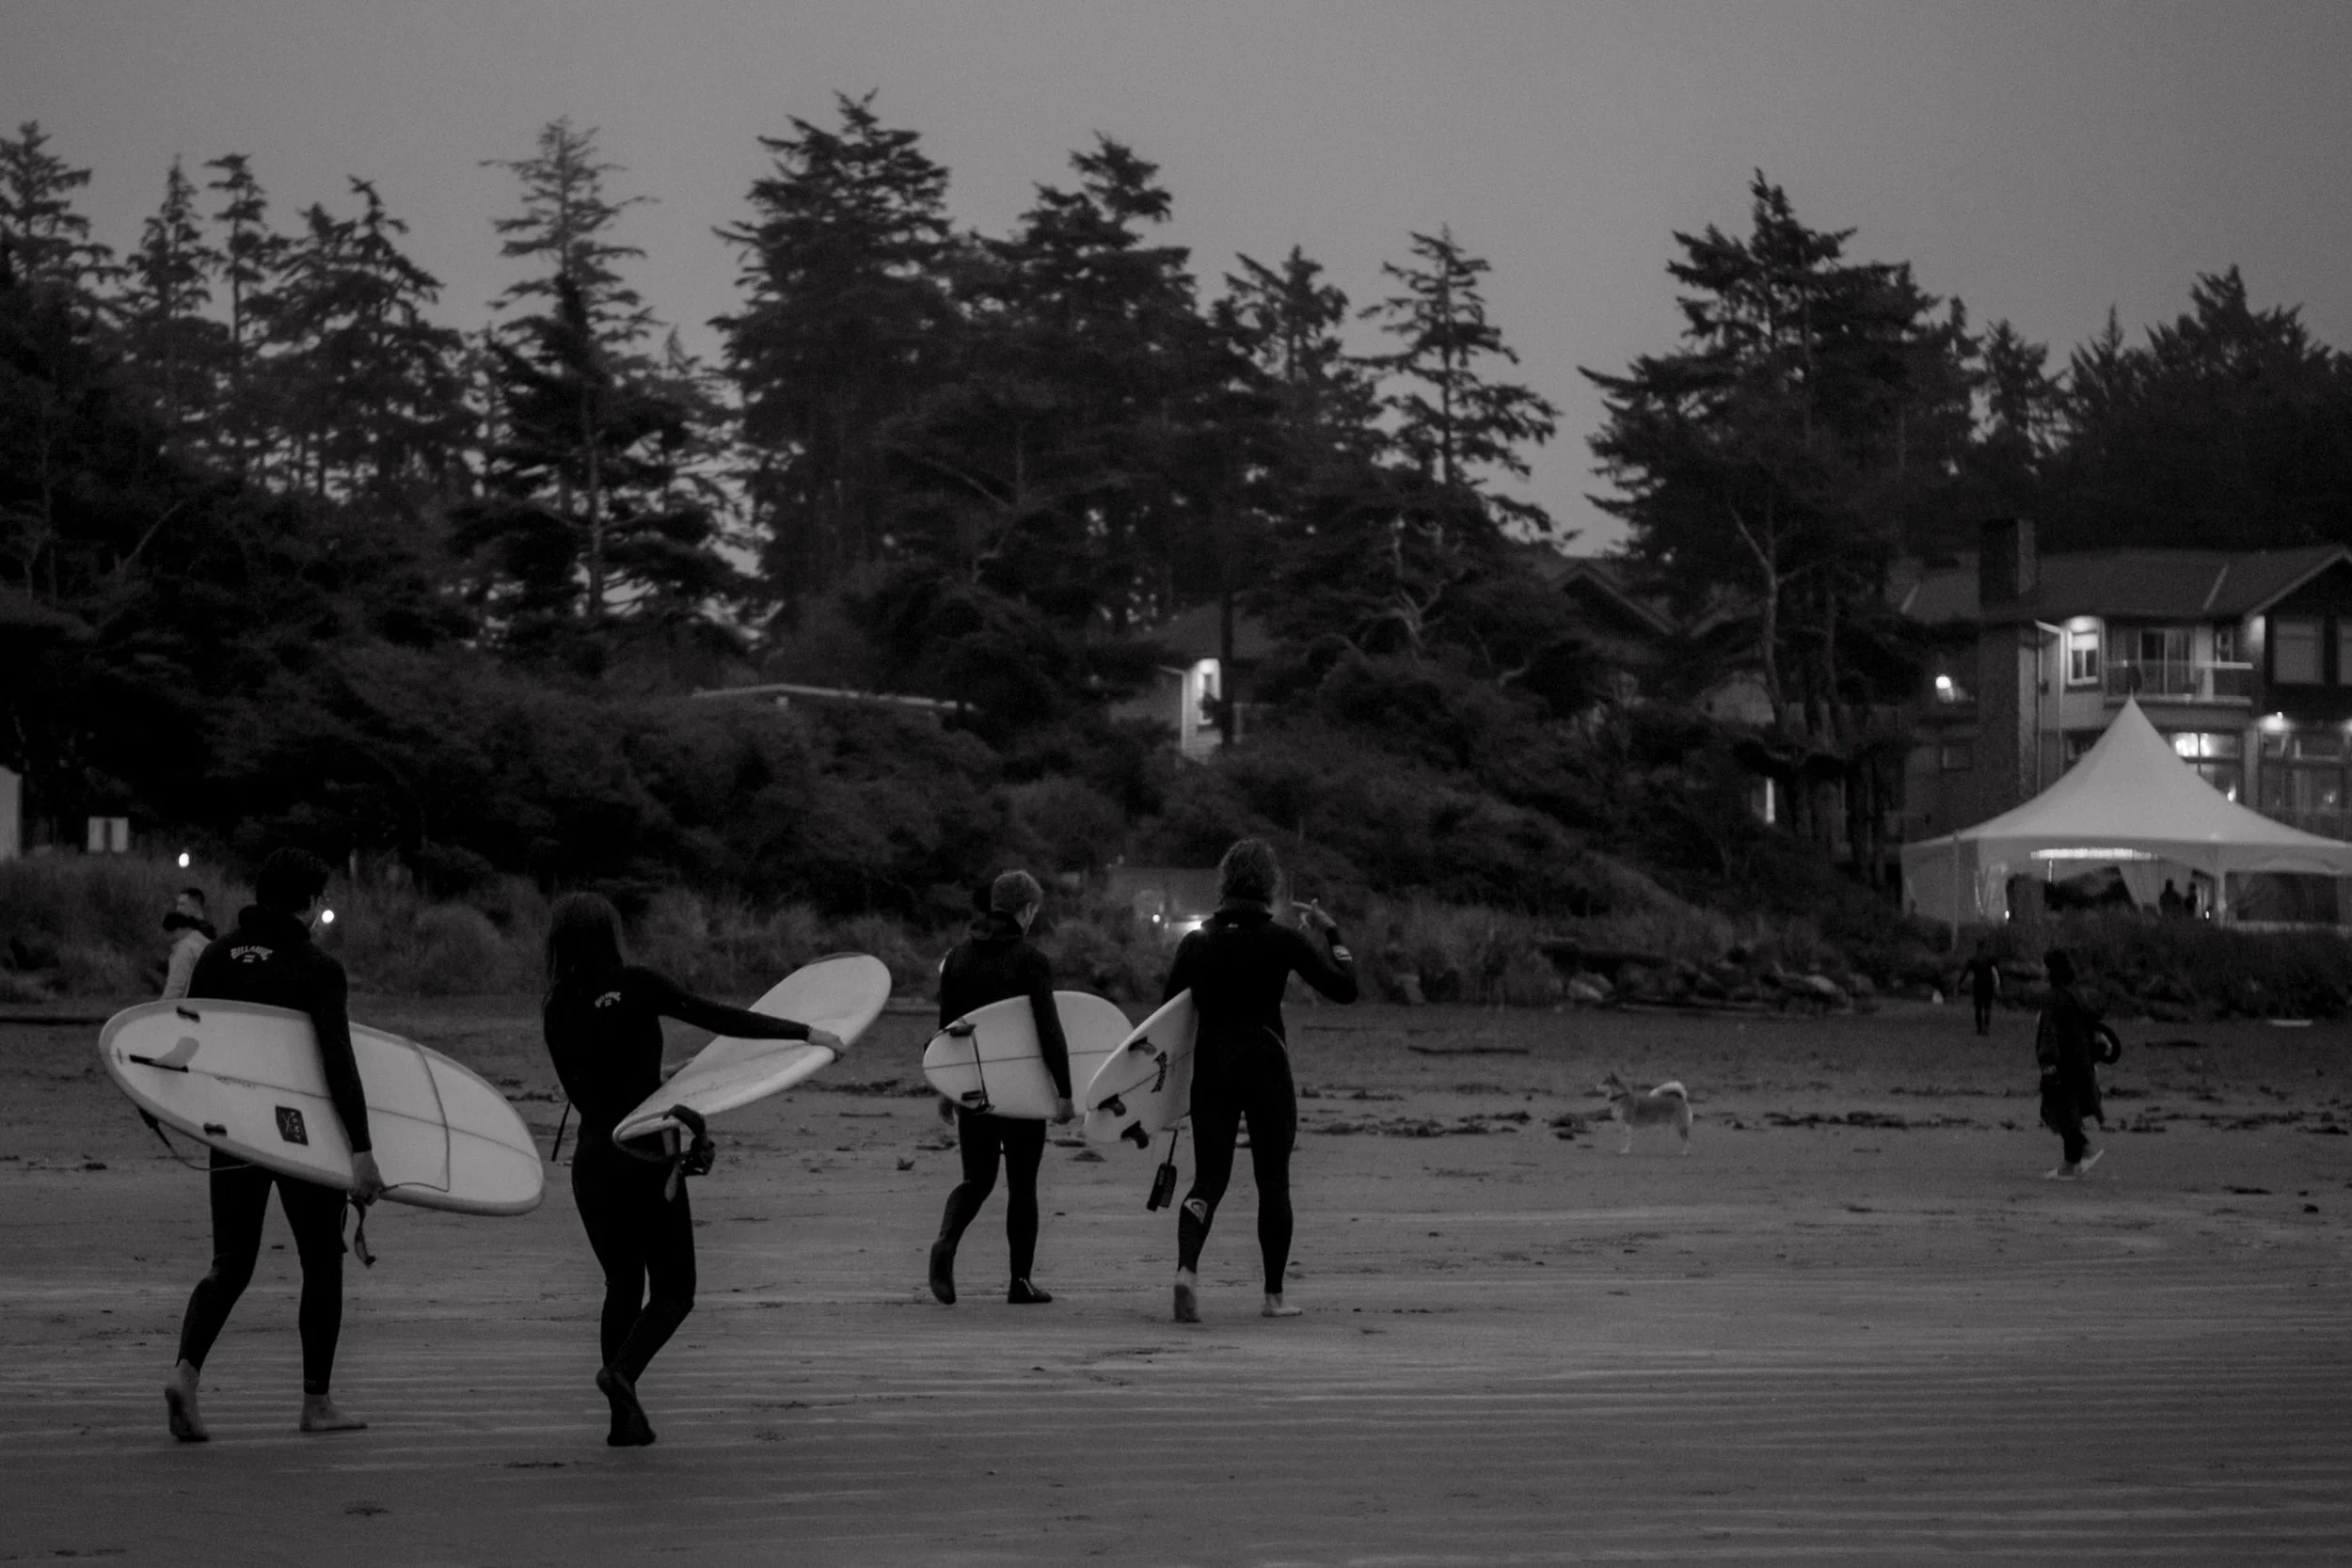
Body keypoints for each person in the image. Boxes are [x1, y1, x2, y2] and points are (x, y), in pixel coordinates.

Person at [541, 892, 845, 1447]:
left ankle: (623, 1421)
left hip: (593, 1160)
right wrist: (805, 1034)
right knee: (675, 1290)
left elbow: (597, 1085)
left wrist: (673, 1079)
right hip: (645, 1156)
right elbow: (718, 1017)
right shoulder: (638, 983)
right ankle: (622, 1375)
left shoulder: (556, 1003)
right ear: (611, 933)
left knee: (623, 1283)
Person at [166, 848, 381, 1443]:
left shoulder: (215, 955)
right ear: (309, 904)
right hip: (296, 1132)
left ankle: (185, 1374)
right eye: (322, 900)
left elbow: (188, 1039)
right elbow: (338, 1062)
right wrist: (361, 1149)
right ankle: (317, 1403)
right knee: (320, 1260)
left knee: (230, 1262)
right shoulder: (315, 966)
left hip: (231, 1124)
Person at [1161, 838, 1357, 1323]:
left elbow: (1166, 1020)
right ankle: (1273, 1297)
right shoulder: (1283, 941)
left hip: (1213, 1066)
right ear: (1269, 886)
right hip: (1267, 1065)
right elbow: (1346, 990)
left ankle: (1187, 1271)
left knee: (1209, 1177)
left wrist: (1163, 1095)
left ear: (1224, 882)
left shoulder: (1197, 942)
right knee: (1273, 1183)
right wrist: (1331, 932)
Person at [929, 869, 1072, 1307]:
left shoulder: (957, 958)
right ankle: (1020, 1283)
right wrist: (1065, 1091)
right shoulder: (1031, 961)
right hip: (1022, 1088)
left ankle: (946, 1242)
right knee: (1022, 1183)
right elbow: (1049, 1029)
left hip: (975, 1086)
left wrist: (945, 1086)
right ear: (1026, 910)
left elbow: (947, 1029)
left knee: (977, 1178)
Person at [2035, 948, 2117, 1180]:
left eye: (2044, 966)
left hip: (2063, 1062)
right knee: (2067, 1112)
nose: (2041, 969)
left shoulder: (2053, 997)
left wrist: (2048, 1063)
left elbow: (2049, 1033)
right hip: (2079, 1062)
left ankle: (2072, 1163)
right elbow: (2091, 1019)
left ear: (2052, 970)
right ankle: (2078, 1156)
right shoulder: (2074, 993)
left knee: (2061, 1112)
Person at [159, 886, 215, 1000]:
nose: (178, 908)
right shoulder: (208, 938)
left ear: (195, 906)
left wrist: (160, 1010)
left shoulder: (187, 945)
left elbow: (176, 985)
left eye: (182, 904)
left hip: (189, 1004)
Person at [1961, 940, 2001, 1037]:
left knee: (1978, 1008)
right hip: (1988, 985)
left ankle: (1979, 1028)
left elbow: (1965, 972)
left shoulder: (1973, 960)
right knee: (1987, 1007)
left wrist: (1960, 982)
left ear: (1977, 948)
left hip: (1978, 985)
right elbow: (1997, 970)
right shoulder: (1990, 959)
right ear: (1985, 947)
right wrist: (1999, 984)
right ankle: (1986, 1027)